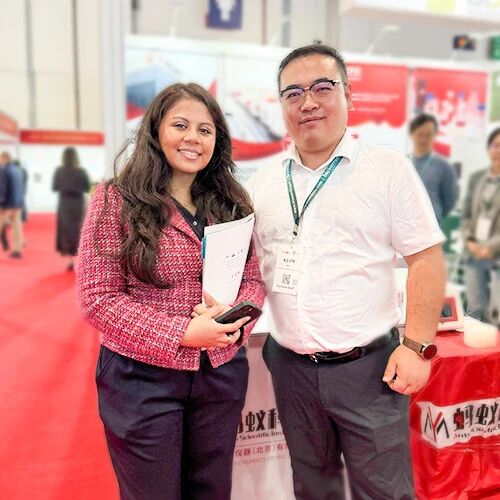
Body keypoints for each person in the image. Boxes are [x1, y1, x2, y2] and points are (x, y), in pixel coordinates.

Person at [247, 44, 446, 499]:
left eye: (322, 88)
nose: (308, 102)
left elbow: (426, 258)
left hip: (369, 371)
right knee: (314, 488)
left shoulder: (386, 170)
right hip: (291, 368)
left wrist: (416, 346)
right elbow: (247, 266)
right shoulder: (264, 182)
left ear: (348, 95)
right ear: (281, 105)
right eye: (293, 93)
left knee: (383, 490)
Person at [77, 82, 265, 500]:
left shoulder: (232, 202)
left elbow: (252, 281)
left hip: (220, 373)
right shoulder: (116, 199)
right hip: (141, 378)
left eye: (205, 130)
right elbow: (97, 298)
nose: (192, 138)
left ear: (217, 141)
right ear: (156, 130)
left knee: (212, 490)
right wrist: (182, 333)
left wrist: (233, 320)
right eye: (180, 125)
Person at [462, 127, 500, 325]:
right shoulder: (477, 178)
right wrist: (470, 242)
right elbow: (467, 215)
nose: (498, 151)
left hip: (496, 253)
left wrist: (489, 248)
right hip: (474, 253)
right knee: (474, 311)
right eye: (496, 145)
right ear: (488, 148)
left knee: (496, 314)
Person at [409, 113, 459, 227]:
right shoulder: (403, 163)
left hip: (431, 228)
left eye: (428, 135)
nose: (423, 139)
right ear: (412, 134)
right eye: (420, 134)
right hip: (404, 227)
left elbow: (449, 201)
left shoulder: (444, 167)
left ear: (435, 135)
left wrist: (435, 214)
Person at [52, 147, 90, 271]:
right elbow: (87, 187)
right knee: (79, 229)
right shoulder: (81, 171)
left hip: (65, 204)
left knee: (65, 231)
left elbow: (54, 187)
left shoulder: (59, 171)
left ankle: (69, 261)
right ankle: (81, 258)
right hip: (78, 203)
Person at [0, 152, 25, 258]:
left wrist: (1, 203)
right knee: (17, 228)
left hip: (8, 204)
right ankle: (17, 250)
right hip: (18, 203)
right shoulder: (17, 170)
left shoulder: (4, 170)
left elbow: (2, 188)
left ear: (4, 158)